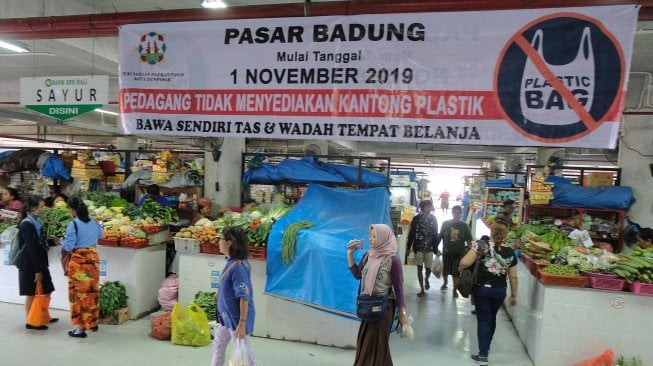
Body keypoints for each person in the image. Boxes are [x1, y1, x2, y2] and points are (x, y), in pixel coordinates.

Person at [347, 224, 408, 366]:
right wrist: (349, 254)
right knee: (365, 341)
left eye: (375, 236)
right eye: (370, 236)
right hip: (367, 306)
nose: (371, 239)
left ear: (383, 238)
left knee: (378, 344)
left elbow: (399, 288)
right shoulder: (369, 255)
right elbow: (357, 274)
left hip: (383, 308)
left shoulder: (393, 260)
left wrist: (402, 312)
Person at [459, 222, 518, 366]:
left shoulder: (481, 246)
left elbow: (465, 262)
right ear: (505, 235)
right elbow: (514, 277)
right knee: (492, 318)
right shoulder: (511, 252)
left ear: (491, 232)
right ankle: (486, 347)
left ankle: (483, 355)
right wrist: (514, 295)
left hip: (482, 290)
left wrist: (463, 266)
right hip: (500, 291)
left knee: (484, 320)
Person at [211, 226, 258, 366]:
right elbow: (229, 285)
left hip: (236, 319)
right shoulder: (231, 262)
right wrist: (220, 294)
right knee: (218, 347)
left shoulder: (238, 267)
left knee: (245, 355)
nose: (218, 242)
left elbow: (244, 297)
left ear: (229, 243)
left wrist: (242, 324)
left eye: (220, 239)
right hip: (225, 318)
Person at [61, 196, 103, 338]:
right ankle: (93, 322)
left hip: (79, 262)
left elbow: (69, 246)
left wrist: (61, 241)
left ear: (72, 210)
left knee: (79, 295)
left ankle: (80, 329)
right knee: (92, 292)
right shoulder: (95, 222)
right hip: (93, 259)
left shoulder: (73, 225)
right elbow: (100, 235)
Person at [15, 195, 56, 330]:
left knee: (48, 289)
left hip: (39, 261)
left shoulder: (35, 221)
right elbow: (31, 248)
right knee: (31, 292)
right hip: (30, 264)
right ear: (33, 208)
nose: (43, 208)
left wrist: (52, 241)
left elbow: (38, 241)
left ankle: (43, 315)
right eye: (41, 206)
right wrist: (38, 270)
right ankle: (31, 321)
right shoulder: (27, 224)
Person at [406, 200, 439, 297]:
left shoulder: (434, 219)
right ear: (423, 207)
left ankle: (427, 279)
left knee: (428, 268)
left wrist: (436, 249)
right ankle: (422, 289)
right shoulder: (416, 219)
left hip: (430, 248)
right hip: (419, 247)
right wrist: (408, 247)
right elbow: (411, 234)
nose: (430, 208)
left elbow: (435, 234)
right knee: (419, 268)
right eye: (428, 206)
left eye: (430, 206)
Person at [439, 205, 473, 297]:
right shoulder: (446, 223)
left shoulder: (464, 226)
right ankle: (445, 283)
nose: (456, 214)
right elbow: (440, 236)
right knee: (445, 270)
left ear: (461, 214)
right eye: (455, 212)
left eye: (458, 213)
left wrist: (472, 252)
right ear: (452, 213)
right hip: (446, 252)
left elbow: (469, 240)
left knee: (456, 273)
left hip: (459, 253)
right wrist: (436, 248)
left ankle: (455, 289)